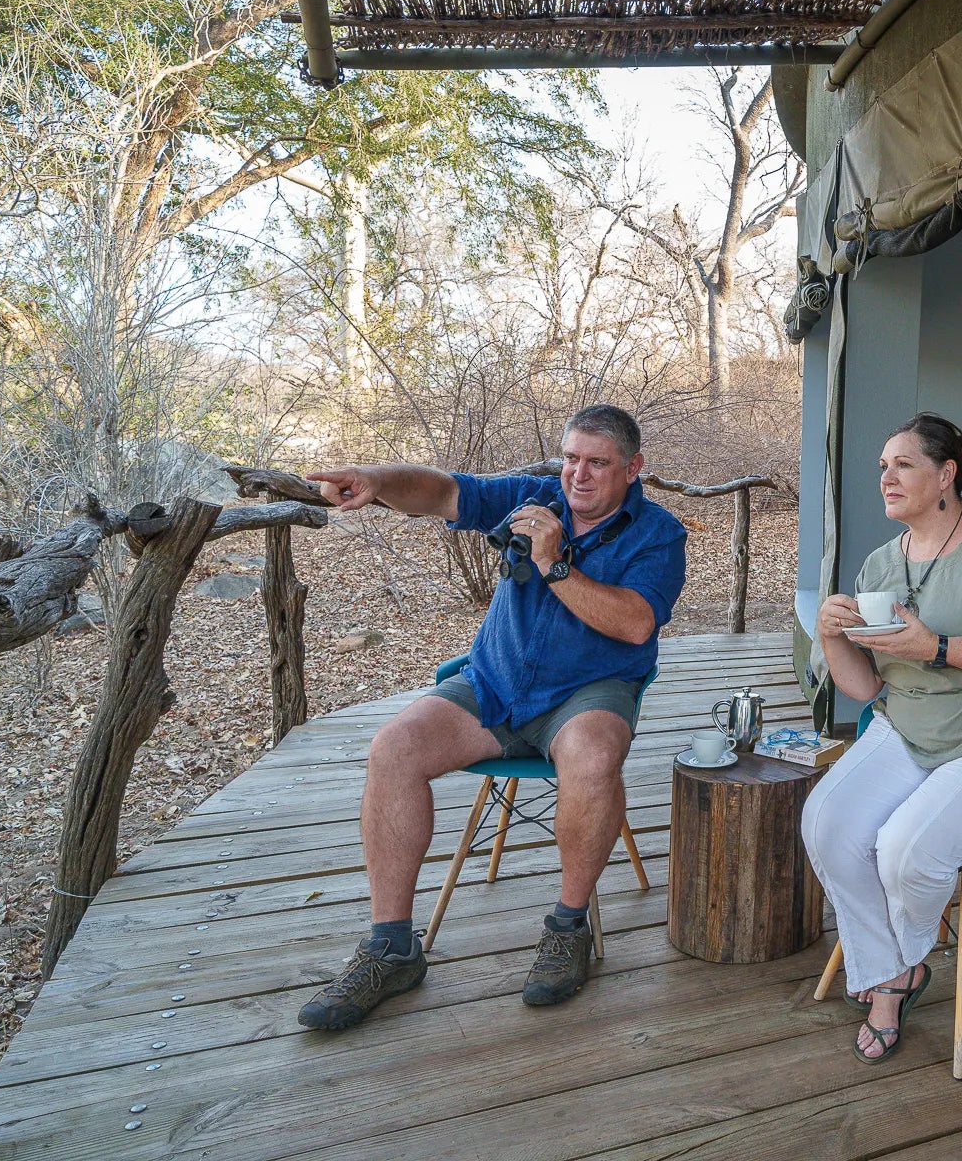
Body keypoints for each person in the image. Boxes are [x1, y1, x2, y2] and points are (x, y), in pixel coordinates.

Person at [294, 405, 686, 1030]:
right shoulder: (533, 497)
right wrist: (378, 480)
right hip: (493, 687)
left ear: (632, 468)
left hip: (586, 693)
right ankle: (391, 947)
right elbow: (444, 492)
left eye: (597, 463)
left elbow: (636, 623)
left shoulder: (658, 534)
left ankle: (568, 927)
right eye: (571, 459)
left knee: (592, 759)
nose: (578, 475)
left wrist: (556, 563)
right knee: (394, 748)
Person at [803, 413, 962, 1064]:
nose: (886, 477)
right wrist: (831, 636)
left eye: (904, 464)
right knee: (827, 823)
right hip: (908, 727)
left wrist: (939, 647)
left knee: (903, 849)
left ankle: (894, 975)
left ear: (946, 474)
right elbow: (865, 688)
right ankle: (896, 967)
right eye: (882, 466)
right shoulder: (879, 564)